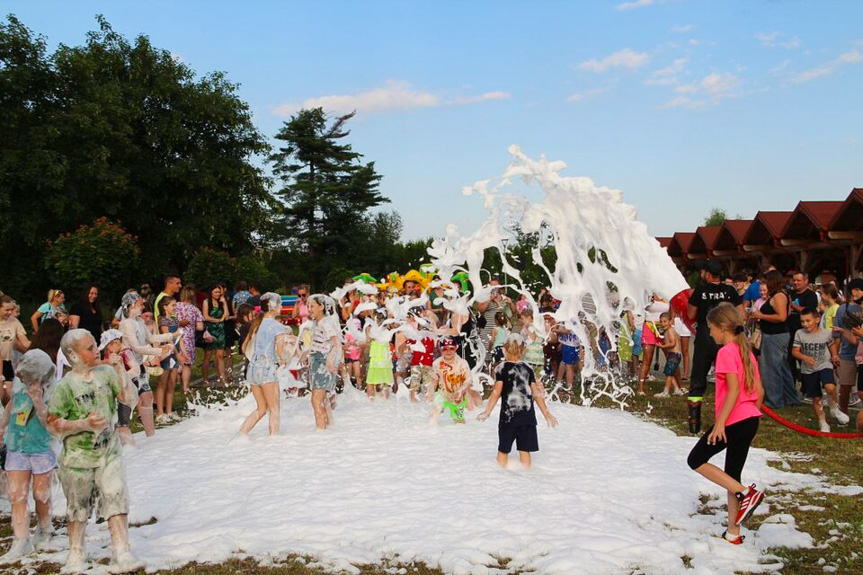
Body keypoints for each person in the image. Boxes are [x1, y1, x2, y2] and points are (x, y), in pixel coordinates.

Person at [47, 329, 144, 573]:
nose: (97, 350)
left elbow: (128, 400)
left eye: (95, 346)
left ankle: (122, 552)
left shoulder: (106, 373)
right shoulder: (66, 386)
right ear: (74, 355)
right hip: (78, 458)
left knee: (116, 495)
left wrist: (120, 370)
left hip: (108, 451)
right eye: (89, 348)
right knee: (78, 506)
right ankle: (76, 552)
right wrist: (83, 424)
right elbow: (52, 424)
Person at [687, 303, 765, 545]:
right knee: (732, 475)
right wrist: (755, 421)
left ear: (722, 327)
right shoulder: (746, 352)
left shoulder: (726, 352)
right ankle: (734, 532)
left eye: (711, 328)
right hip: (750, 418)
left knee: (696, 459)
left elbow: (732, 391)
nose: (710, 333)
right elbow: (759, 392)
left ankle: (747, 493)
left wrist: (720, 423)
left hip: (734, 419)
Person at [0, 350, 57, 563]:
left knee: (41, 494)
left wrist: (38, 400)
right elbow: (11, 405)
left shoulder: (53, 389)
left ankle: (44, 529)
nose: (21, 376)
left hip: (41, 446)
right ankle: (20, 540)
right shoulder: (18, 385)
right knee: (16, 494)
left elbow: (50, 423)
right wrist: (2, 426)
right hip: (16, 444)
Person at [477, 334, 558, 468]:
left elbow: (496, 392)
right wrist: (547, 414)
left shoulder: (501, 369)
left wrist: (487, 412)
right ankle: (526, 477)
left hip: (509, 418)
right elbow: (536, 394)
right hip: (527, 418)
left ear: (504, 349)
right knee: (525, 451)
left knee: (503, 451)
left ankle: (500, 475)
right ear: (524, 350)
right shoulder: (528, 369)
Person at [687, 260, 744, 433]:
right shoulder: (730, 290)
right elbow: (741, 314)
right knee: (730, 379)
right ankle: (730, 419)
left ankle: (694, 423)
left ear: (708, 275)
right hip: (726, 337)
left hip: (706, 336)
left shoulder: (701, 291)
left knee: (698, 380)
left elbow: (691, 314)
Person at [118, 292, 173, 437]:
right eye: (139, 303)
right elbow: (135, 347)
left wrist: (171, 336)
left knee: (147, 396)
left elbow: (150, 337)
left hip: (139, 363)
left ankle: (151, 435)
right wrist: (159, 351)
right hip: (127, 365)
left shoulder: (139, 321)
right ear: (130, 306)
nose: (142, 306)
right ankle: (122, 431)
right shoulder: (126, 324)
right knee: (127, 400)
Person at [792, 308, 850, 432]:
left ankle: (834, 408)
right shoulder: (799, 333)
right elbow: (795, 351)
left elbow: (831, 345)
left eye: (808, 321)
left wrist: (834, 355)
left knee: (830, 387)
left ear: (817, 319)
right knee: (816, 398)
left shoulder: (825, 333)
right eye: (802, 321)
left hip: (824, 364)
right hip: (808, 369)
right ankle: (822, 421)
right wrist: (805, 357)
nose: (805, 324)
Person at [240, 293, 287, 437]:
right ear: (273, 307)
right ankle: (274, 442)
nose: (281, 307)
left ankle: (241, 435)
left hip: (252, 369)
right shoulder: (277, 326)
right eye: (279, 304)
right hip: (266, 370)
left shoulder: (256, 324)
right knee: (274, 409)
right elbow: (280, 352)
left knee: (261, 409)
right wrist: (286, 359)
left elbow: (243, 348)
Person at [750, 270, 797, 409]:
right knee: (782, 367)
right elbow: (787, 312)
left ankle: (774, 400)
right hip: (777, 334)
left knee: (771, 369)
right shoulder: (783, 295)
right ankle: (790, 397)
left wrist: (761, 315)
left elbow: (782, 317)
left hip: (775, 335)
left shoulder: (778, 296)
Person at [306, 294, 342, 430]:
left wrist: (330, 361)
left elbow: (336, 343)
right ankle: (327, 431)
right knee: (323, 400)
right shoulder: (318, 322)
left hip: (323, 362)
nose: (309, 309)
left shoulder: (325, 322)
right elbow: (320, 342)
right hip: (318, 361)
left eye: (312, 306)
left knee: (316, 400)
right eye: (308, 306)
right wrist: (307, 353)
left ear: (321, 307)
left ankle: (320, 432)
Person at [99, 329, 139, 446]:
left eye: (108, 347)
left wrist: (123, 375)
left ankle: (131, 450)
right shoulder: (113, 354)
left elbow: (136, 370)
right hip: (118, 391)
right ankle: (122, 448)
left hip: (127, 391)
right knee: (116, 423)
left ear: (116, 343)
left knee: (123, 424)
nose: (107, 351)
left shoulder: (125, 353)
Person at [427, 336, 476, 424]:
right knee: (434, 414)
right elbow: (434, 380)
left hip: (458, 397)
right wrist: (429, 392)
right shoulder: (437, 363)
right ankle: (430, 433)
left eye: (451, 348)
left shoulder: (462, 363)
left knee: (459, 421)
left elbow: (468, 381)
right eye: (445, 349)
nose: (448, 351)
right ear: (440, 350)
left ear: (456, 348)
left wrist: (461, 390)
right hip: (443, 393)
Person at [833, 278, 863, 413]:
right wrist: (835, 353)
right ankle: (843, 412)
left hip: (861, 352)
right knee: (845, 385)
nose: (854, 292)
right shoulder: (842, 309)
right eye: (852, 289)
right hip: (847, 352)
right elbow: (836, 335)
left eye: (858, 289)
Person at [156, 297, 188, 422]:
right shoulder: (162, 320)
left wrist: (183, 352)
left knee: (172, 383)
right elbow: (168, 338)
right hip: (166, 353)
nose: (175, 308)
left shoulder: (175, 319)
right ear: (165, 307)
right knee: (162, 383)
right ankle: (160, 412)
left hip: (175, 353)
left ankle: (169, 411)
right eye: (173, 305)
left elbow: (179, 337)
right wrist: (177, 355)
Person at [787, 272, 819, 383]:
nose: (795, 283)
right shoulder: (790, 293)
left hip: (805, 332)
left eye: (798, 280)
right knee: (790, 359)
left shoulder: (811, 295)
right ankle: (792, 386)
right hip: (790, 331)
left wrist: (793, 306)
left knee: (805, 360)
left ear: (805, 281)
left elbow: (809, 312)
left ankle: (808, 387)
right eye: (794, 280)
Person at [1, 295, 31, 404]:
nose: (10, 312)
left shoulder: (14, 321)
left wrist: (41, 342)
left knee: (9, 395)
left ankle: (6, 418)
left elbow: (25, 342)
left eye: (11, 310)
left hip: (7, 362)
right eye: (7, 310)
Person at [639, 295, 670, 395]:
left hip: (664, 327)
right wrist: (647, 300)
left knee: (671, 357)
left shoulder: (666, 291)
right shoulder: (646, 291)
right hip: (649, 326)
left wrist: (672, 322)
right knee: (647, 359)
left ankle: (677, 386)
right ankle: (640, 388)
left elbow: (673, 309)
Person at [176, 286, 204, 394]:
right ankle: (185, 388)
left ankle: (177, 383)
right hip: (189, 338)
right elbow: (200, 327)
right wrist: (192, 326)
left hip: (175, 335)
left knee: (176, 360)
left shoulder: (176, 306)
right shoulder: (195, 309)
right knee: (186, 364)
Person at [202, 285, 229, 387]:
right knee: (208, 356)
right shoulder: (206, 302)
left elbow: (226, 316)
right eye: (216, 292)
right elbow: (206, 317)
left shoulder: (221, 302)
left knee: (220, 355)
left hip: (220, 331)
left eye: (219, 292)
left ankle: (222, 378)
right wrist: (218, 320)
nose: (218, 294)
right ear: (211, 292)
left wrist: (224, 303)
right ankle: (205, 379)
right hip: (210, 331)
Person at [365, 310, 395, 399]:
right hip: (385, 359)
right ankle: (386, 402)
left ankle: (370, 401)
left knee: (371, 381)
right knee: (385, 382)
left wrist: (367, 331)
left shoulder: (372, 330)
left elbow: (367, 340)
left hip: (375, 359)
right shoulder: (388, 332)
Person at [655, 312, 684, 397]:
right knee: (669, 372)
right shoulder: (669, 330)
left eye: (665, 321)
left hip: (674, 354)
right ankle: (677, 389)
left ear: (670, 321)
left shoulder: (670, 331)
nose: (663, 324)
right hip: (674, 354)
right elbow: (678, 338)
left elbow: (673, 343)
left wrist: (662, 346)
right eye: (661, 322)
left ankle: (666, 391)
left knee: (669, 373)